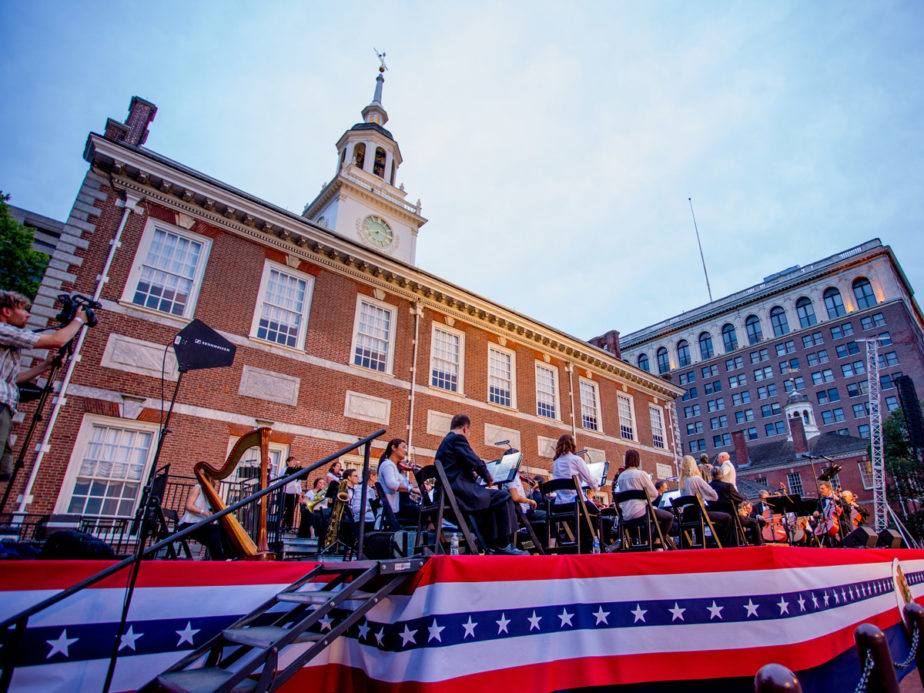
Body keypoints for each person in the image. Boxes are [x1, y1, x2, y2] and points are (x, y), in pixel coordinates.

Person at [0, 290, 89, 481]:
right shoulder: (3, 330)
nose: (28, 314)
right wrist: (79, 320)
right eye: (23, 309)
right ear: (6, 311)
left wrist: (44, 366)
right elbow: (57, 340)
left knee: (3, 471)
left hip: (5, 405)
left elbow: (11, 380)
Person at [434, 414, 526, 555]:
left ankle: (492, 546)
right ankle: (504, 545)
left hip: (448, 493)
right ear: (465, 428)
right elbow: (475, 461)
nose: (468, 436)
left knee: (492, 503)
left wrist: (474, 476)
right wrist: (487, 476)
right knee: (504, 497)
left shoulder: (446, 442)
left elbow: (458, 467)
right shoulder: (457, 439)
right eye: (469, 432)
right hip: (459, 493)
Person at [614, 449, 673, 544]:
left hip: (626, 514)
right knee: (669, 517)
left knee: (652, 517)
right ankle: (658, 541)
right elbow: (654, 493)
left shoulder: (621, 477)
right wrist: (647, 501)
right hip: (641, 512)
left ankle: (646, 541)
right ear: (637, 460)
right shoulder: (641, 474)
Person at [678, 455, 734, 547]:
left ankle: (703, 545)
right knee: (727, 517)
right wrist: (705, 497)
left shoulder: (682, 482)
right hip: (698, 513)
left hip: (687, 514)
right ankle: (726, 545)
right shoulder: (696, 479)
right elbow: (714, 495)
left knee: (702, 523)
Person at [178, 480, 231, 560]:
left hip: (198, 525)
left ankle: (229, 556)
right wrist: (204, 513)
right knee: (215, 529)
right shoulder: (197, 487)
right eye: (214, 480)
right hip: (187, 524)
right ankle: (219, 560)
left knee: (222, 529)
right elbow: (189, 506)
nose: (216, 483)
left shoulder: (207, 494)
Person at [709, 467, 761, 546]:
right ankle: (758, 546)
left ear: (711, 475)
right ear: (721, 475)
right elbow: (739, 499)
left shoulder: (708, 486)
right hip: (732, 516)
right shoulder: (727, 486)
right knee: (754, 522)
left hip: (714, 516)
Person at [376, 438, 419, 523]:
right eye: (403, 447)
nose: (405, 451)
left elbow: (404, 484)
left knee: (431, 514)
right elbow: (392, 484)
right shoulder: (387, 465)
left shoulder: (396, 468)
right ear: (393, 448)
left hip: (402, 506)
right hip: (398, 509)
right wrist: (412, 489)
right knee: (432, 515)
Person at [551, 434, 598, 504]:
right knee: (598, 512)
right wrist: (596, 486)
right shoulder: (576, 460)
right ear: (572, 445)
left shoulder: (555, 463)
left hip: (559, 504)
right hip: (576, 502)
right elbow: (590, 481)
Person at [281, 457, 303, 532]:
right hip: (285, 492)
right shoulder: (284, 470)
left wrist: (299, 494)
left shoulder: (297, 471)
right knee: (283, 509)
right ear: (288, 462)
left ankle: (288, 527)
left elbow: (299, 483)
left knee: (291, 511)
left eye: (295, 461)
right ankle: (281, 525)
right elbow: (281, 479)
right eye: (293, 461)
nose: (294, 463)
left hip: (294, 493)